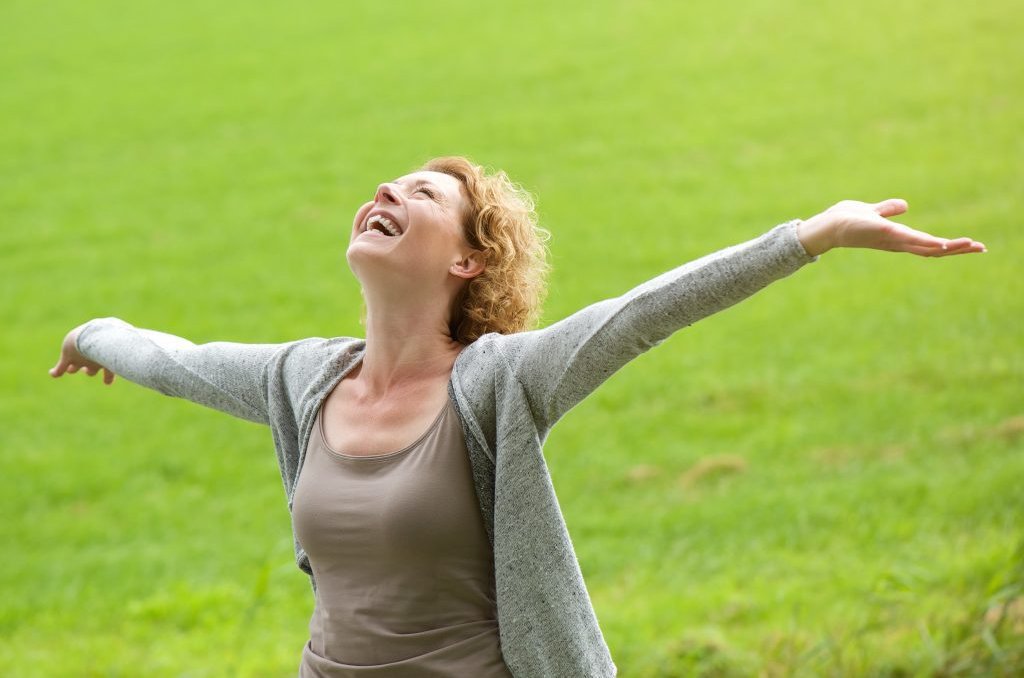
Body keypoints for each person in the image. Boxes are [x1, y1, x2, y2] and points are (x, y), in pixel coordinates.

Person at [49, 156, 987, 677]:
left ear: (468, 263)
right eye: (386, 183)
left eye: (421, 194)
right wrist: (93, 332)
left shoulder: (501, 381)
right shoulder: (302, 382)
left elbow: (645, 311)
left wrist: (811, 235)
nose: (385, 191)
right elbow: (174, 360)